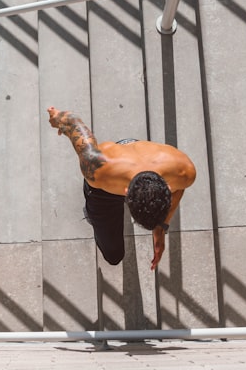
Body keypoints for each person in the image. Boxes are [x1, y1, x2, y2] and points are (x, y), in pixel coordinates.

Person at [46, 106, 196, 270]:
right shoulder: (97, 168)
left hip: (136, 162)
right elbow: (73, 122)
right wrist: (57, 117)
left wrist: (161, 228)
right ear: (126, 193)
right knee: (113, 255)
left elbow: (179, 189)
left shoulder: (184, 171)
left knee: (113, 254)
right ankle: (91, 214)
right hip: (104, 187)